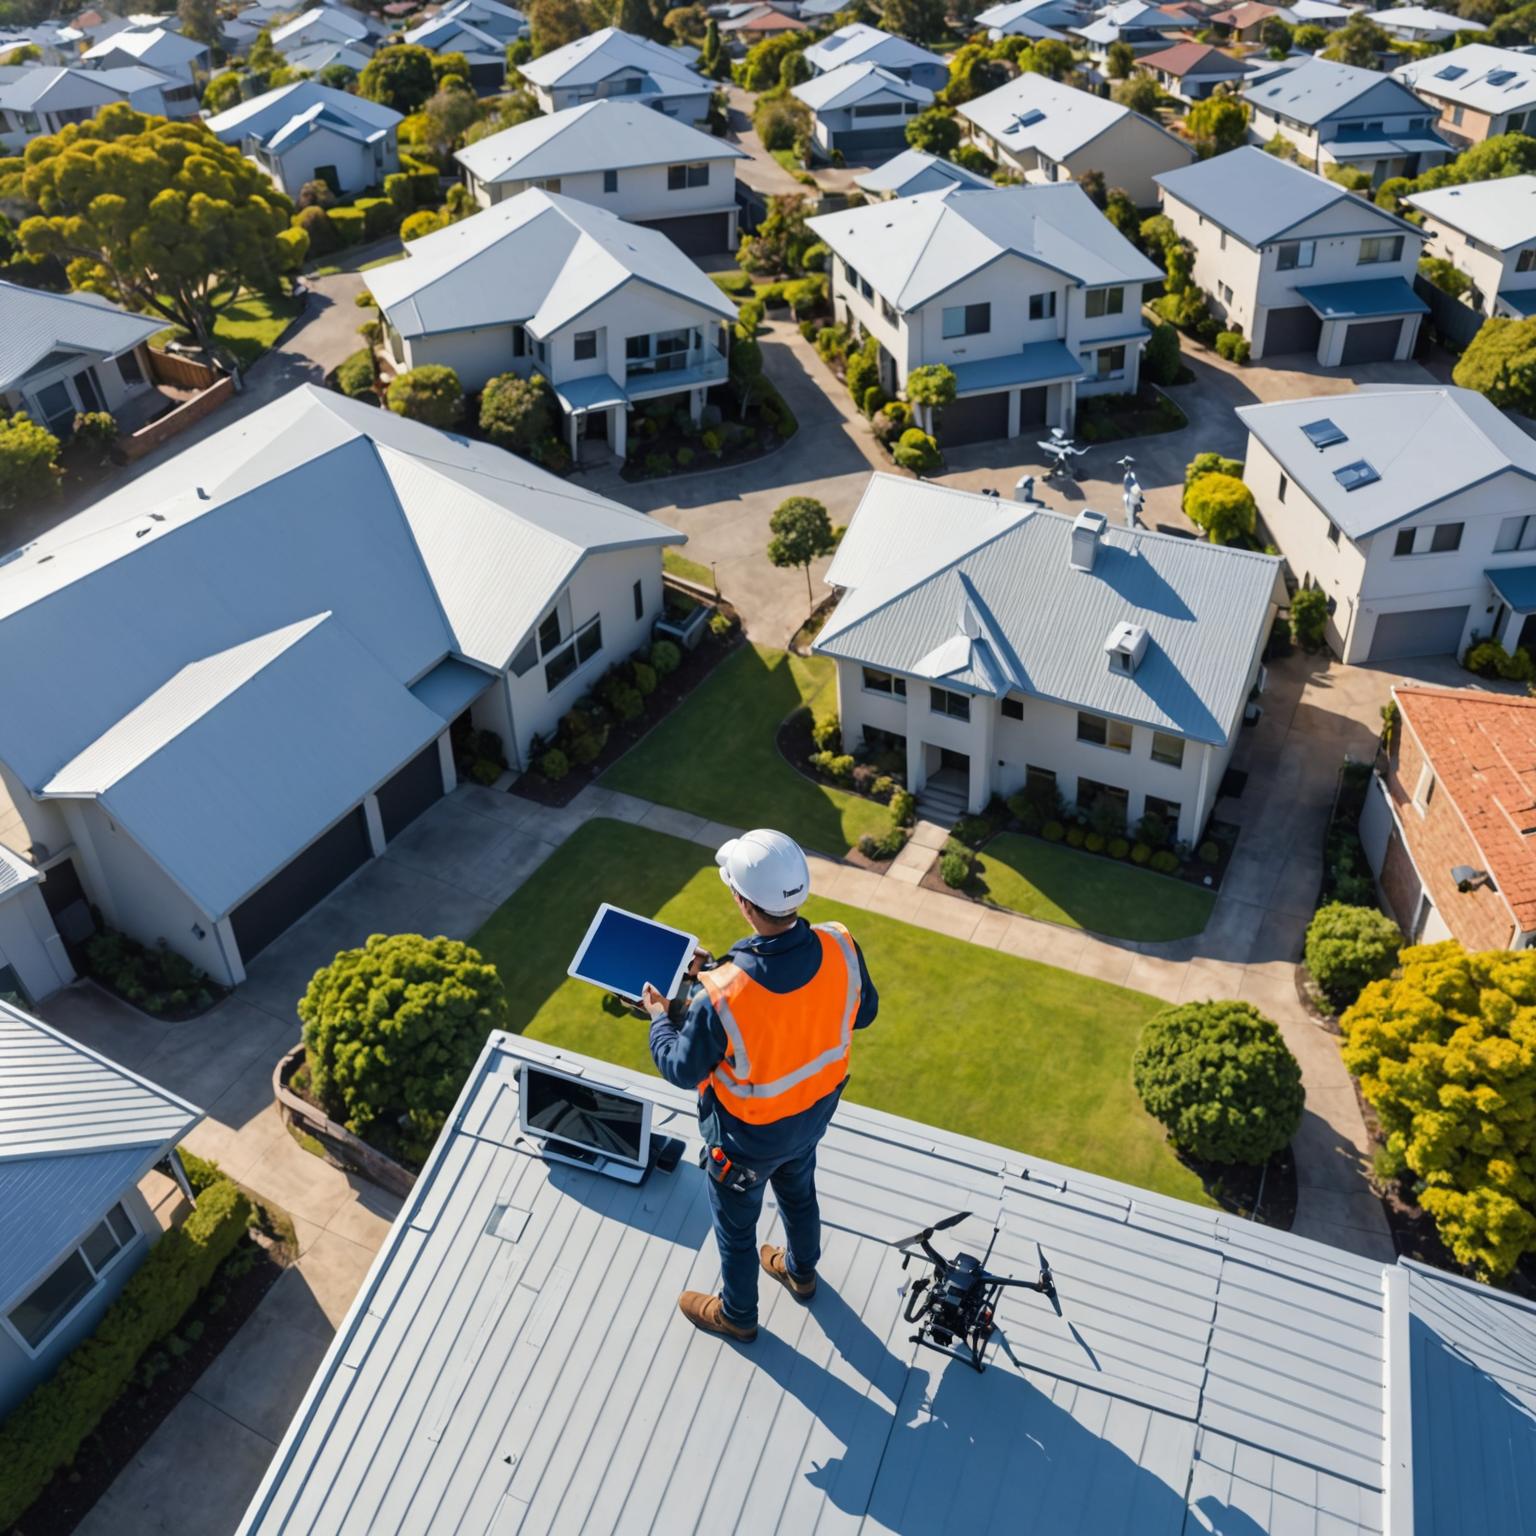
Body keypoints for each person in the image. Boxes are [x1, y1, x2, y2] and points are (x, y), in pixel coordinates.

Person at [641, 828, 878, 1343]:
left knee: (736, 1230)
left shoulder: (720, 995)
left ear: (743, 903)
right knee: (799, 1196)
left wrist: (660, 1017)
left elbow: (681, 1069)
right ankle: (800, 1272)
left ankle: (739, 1316)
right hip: (812, 1118)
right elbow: (864, 1013)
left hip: (745, 1144)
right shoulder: (841, 944)